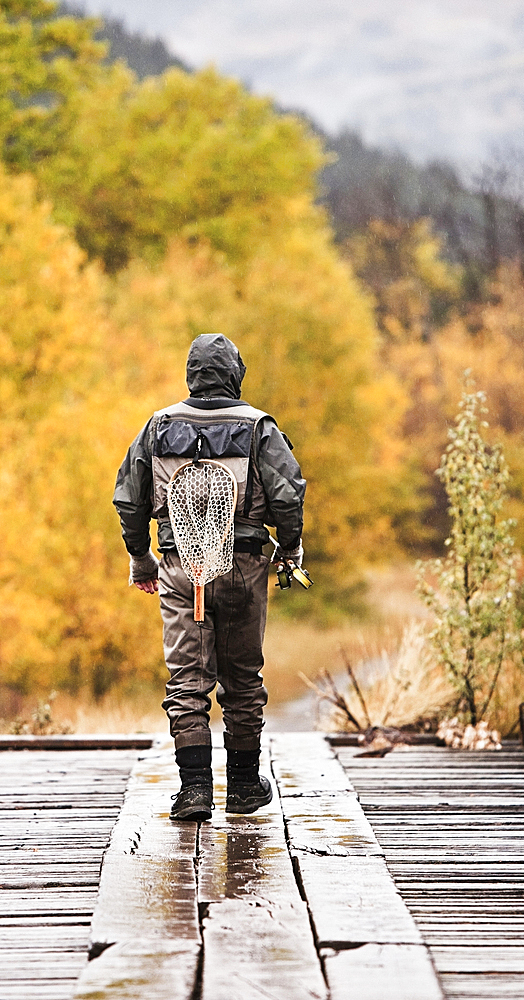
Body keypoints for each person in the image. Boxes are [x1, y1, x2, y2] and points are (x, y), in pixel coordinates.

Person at [113, 334, 306, 821]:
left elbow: (130, 498)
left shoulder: (157, 427)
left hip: (180, 569)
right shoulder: (259, 427)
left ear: (191, 375)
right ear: (235, 374)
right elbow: (287, 496)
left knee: (187, 679)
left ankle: (194, 789)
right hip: (243, 566)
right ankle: (242, 787)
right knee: (242, 678)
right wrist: (289, 546)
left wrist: (141, 559)